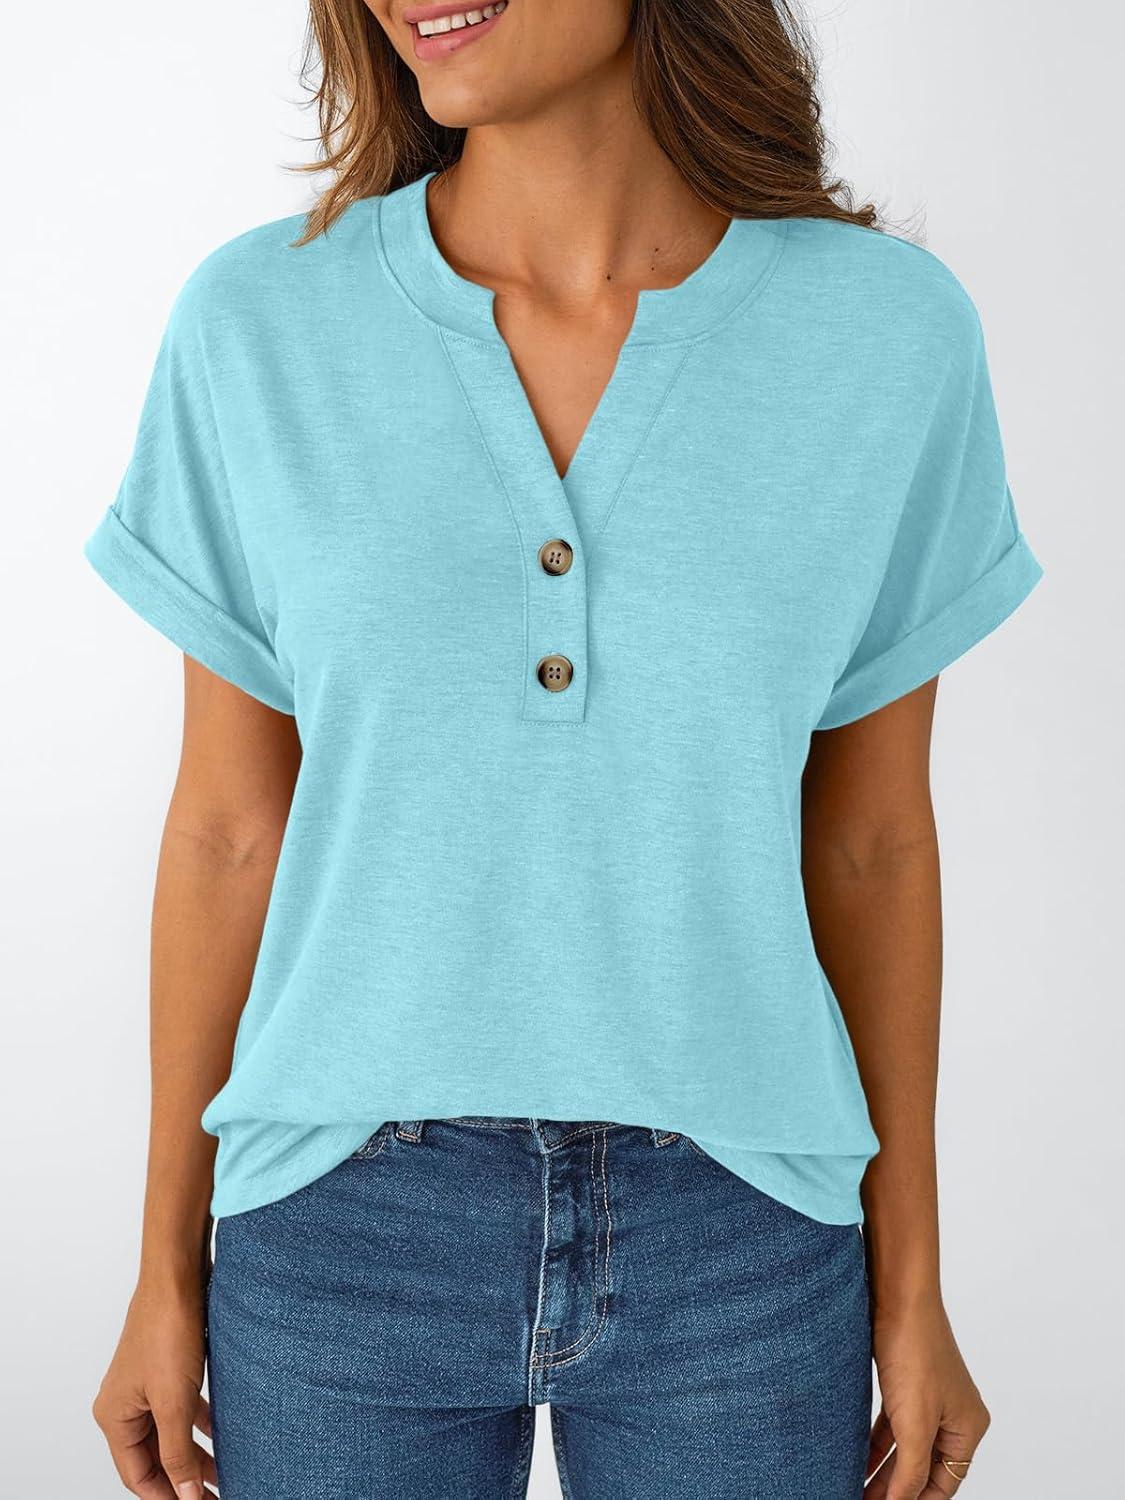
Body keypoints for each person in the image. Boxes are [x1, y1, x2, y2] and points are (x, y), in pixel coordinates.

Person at [84, 1, 1043, 1496]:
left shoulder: (887, 334)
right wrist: (159, 1267)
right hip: (338, 1225)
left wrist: (912, 1288)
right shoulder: (260, 322)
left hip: (746, 1226)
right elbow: (226, 829)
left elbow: (868, 841)